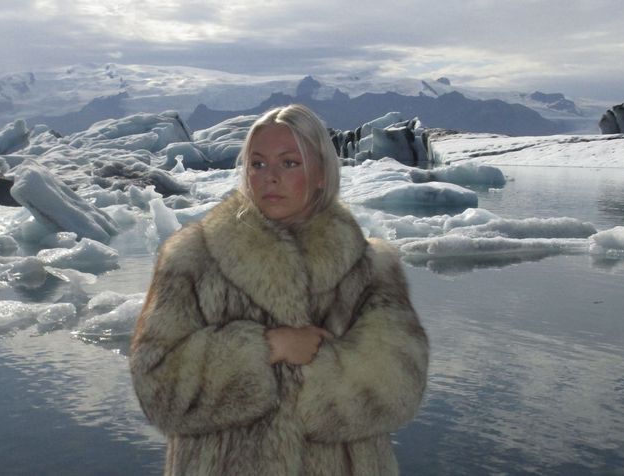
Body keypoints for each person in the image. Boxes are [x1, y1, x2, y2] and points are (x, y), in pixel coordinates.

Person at [130, 104, 429, 476]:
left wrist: (314, 370)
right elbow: (156, 387)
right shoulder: (192, 259)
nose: (270, 177)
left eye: (289, 163)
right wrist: (266, 348)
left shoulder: (369, 268)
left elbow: (400, 384)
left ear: (321, 173)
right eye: (257, 164)